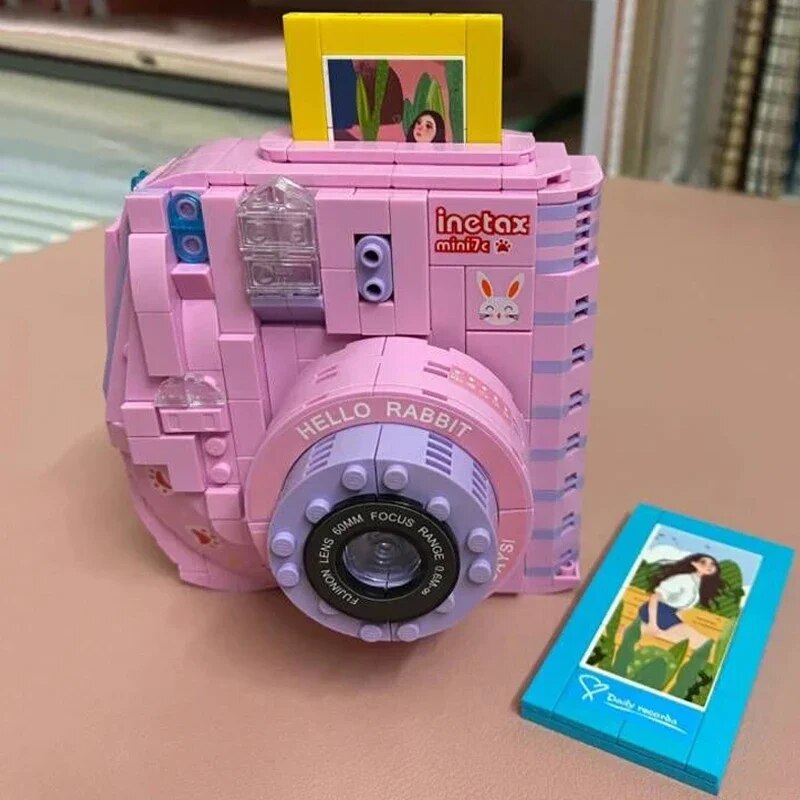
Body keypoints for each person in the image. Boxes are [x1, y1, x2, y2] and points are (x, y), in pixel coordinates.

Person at [636, 553, 723, 649]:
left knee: (700, 642)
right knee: (702, 643)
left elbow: (679, 609)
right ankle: (644, 628)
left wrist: (679, 622)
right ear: (694, 564)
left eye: (712, 564)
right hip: (657, 611)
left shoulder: (698, 585)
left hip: (668, 614)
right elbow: (655, 597)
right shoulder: (683, 579)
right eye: (703, 562)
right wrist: (653, 624)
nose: (709, 566)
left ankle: (642, 628)